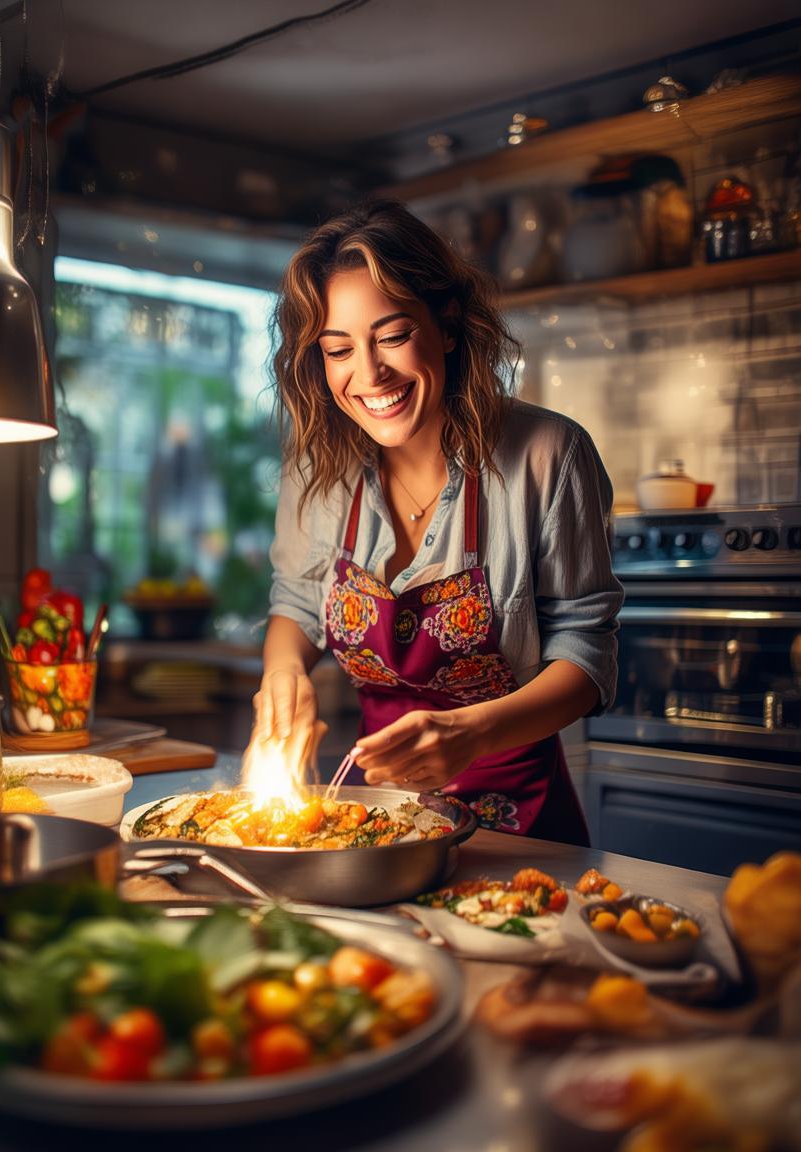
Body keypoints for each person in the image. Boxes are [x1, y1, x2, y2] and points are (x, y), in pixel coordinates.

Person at [254, 198, 623, 845]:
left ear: (447, 324)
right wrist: (284, 676)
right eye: (339, 349)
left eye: (392, 335)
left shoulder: (548, 454)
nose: (369, 375)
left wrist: (474, 731)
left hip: (522, 832)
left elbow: (586, 656)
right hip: (381, 825)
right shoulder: (320, 468)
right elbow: (297, 601)